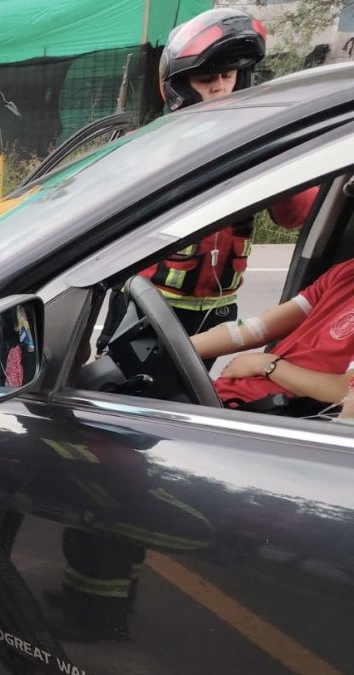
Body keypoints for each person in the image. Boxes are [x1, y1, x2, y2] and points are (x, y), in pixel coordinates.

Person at [97, 7, 318, 354]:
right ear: (180, 85)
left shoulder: (257, 145)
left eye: (229, 76)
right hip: (150, 304)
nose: (221, 89)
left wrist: (274, 153)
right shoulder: (148, 145)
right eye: (207, 80)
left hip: (219, 309)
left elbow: (296, 216)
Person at [192, 257, 354, 410]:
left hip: (273, 416)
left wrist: (267, 365)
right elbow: (257, 328)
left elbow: (346, 392)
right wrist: (175, 347)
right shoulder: (346, 272)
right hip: (225, 399)